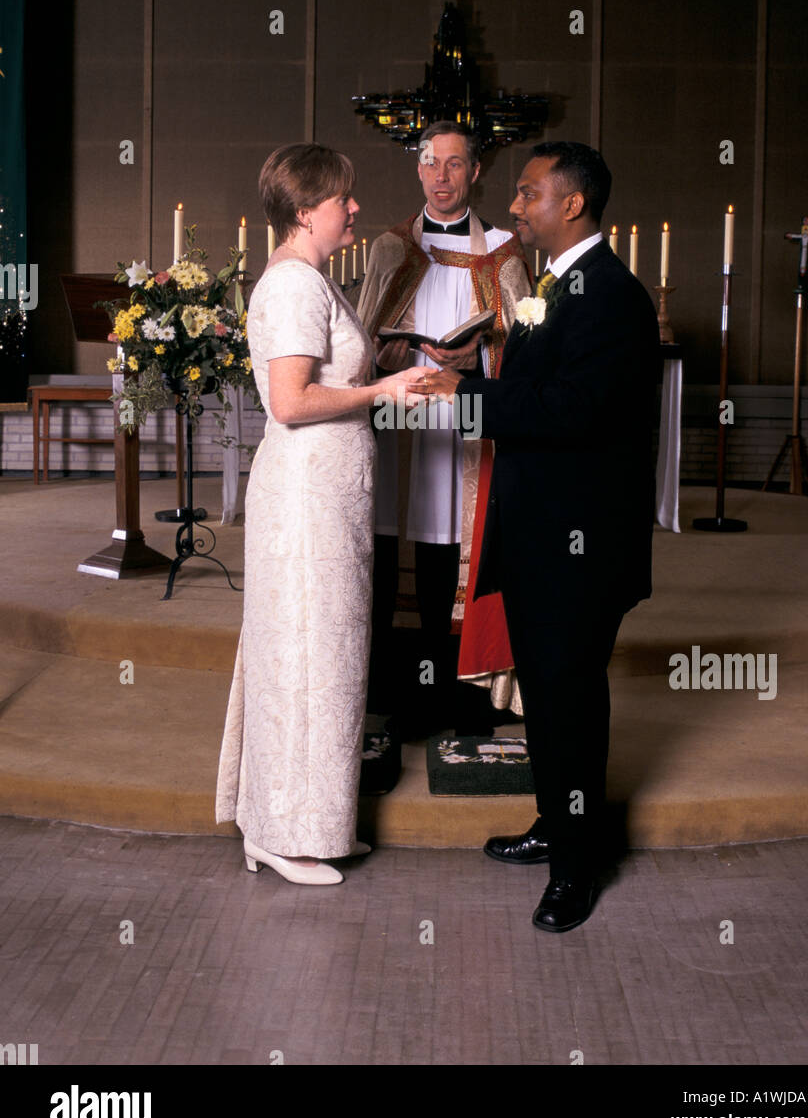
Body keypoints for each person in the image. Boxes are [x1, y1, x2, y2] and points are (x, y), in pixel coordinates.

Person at [409, 142, 661, 931]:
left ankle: (578, 869)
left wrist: (467, 394)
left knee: (571, 702)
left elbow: (573, 411)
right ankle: (557, 826)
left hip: (579, 546)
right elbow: (536, 383)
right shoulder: (556, 284)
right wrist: (474, 363)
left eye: (527, 194)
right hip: (542, 537)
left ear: (573, 204)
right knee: (548, 703)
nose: (514, 208)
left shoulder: (611, 295)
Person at [215, 143, 424, 886]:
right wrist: (382, 392)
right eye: (344, 198)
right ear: (307, 212)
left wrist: (389, 368)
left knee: (325, 657)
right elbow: (291, 402)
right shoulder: (296, 286)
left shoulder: (312, 280)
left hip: (327, 496)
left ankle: (307, 822)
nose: (356, 208)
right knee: (306, 657)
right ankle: (281, 832)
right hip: (306, 499)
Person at [357, 121, 531, 737]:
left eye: (454, 165)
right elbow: (360, 341)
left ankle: (452, 690)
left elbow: (528, 351)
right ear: (418, 169)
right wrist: (386, 357)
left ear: (475, 172)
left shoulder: (505, 252)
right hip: (393, 420)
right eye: (431, 164)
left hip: (467, 421)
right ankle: (379, 689)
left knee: (446, 549)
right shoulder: (389, 249)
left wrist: (480, 357)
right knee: (381, 544)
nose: (441, 177)